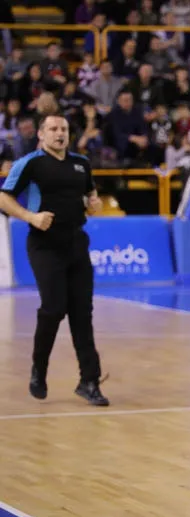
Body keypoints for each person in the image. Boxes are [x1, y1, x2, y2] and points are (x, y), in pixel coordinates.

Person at [0, 113, 109, 406]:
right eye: (53, 129)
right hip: (44, 246)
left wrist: (95, 203)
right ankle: (40, 368)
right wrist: (30, 217)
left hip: (76, 243)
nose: (59, 133)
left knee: (82, 313)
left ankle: (89, 380)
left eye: (63, 129)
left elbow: (91, 195)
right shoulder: (30, 163)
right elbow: (3, 197)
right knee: (53, 308)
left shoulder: (81, 163)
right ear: (41, 134)